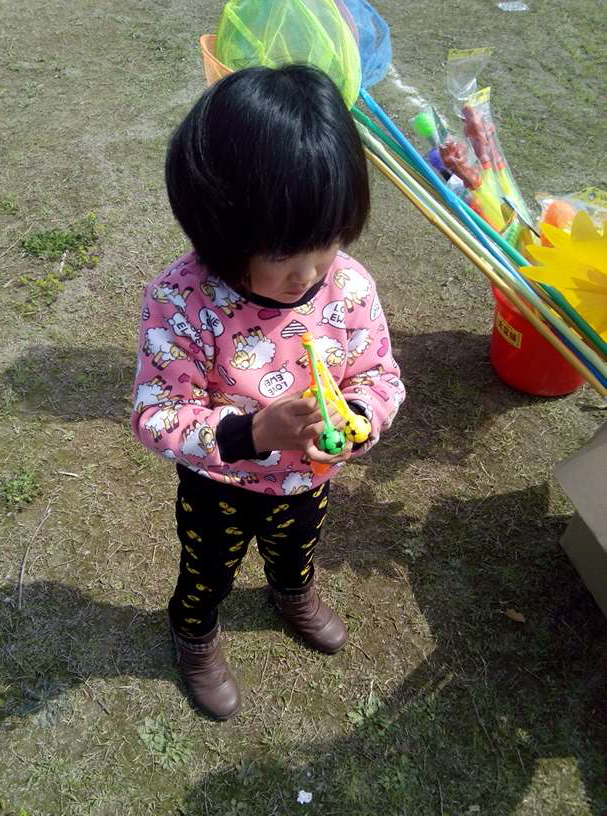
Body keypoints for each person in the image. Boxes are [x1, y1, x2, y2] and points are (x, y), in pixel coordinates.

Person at [131, 64, 405, 721]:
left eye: (327, 240)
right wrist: (251, 432)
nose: (307, 272)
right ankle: (195, 631)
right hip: (218, 486)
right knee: (207, 570)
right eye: (283, 254)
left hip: (308, 481)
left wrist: (357, 417)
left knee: (297, 548)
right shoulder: (183, 301)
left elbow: (379, 375)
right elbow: (156, 414)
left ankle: (292, 592)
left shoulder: (348, 287)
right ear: (219, 230)